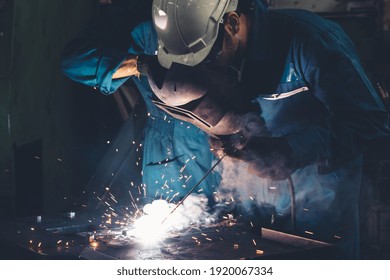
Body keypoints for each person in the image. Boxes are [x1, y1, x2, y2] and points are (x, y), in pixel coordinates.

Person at [62, 0, 389, 259]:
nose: (200, 70)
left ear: (232, 24)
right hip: (250, 213)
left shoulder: (311, 41)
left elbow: (370, 123)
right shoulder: (178, 28)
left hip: (316, 212)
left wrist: (292, 149)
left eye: (204, 58)